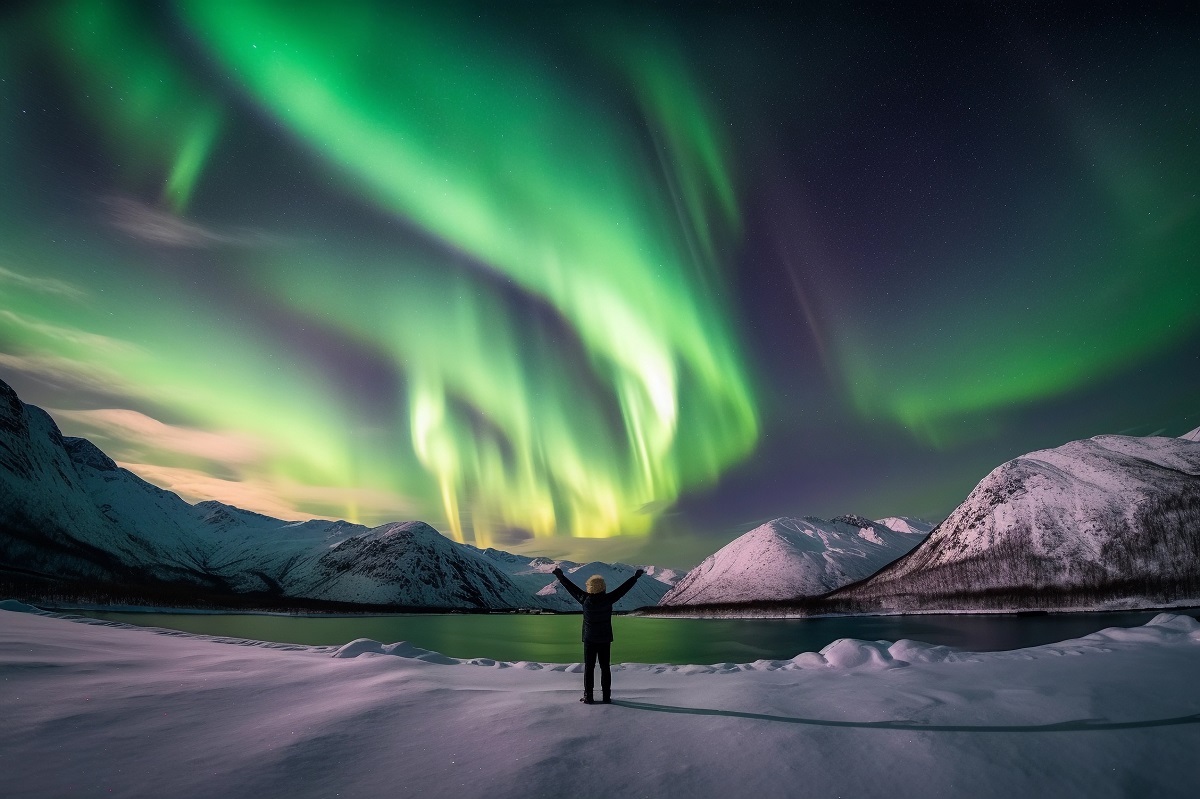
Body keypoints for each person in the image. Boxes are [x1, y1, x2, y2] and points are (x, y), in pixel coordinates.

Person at [551, 565, 643, 705]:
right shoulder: (609, 599)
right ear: (603, 587)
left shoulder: (584, 599)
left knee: (589, 668)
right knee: (605, 667)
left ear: (590, 587)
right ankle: (606, 697)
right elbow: (623, 589)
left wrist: (560, 576)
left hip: (589, 639)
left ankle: (589, 697)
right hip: (605, 638)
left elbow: (570, 587)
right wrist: (635, 578)